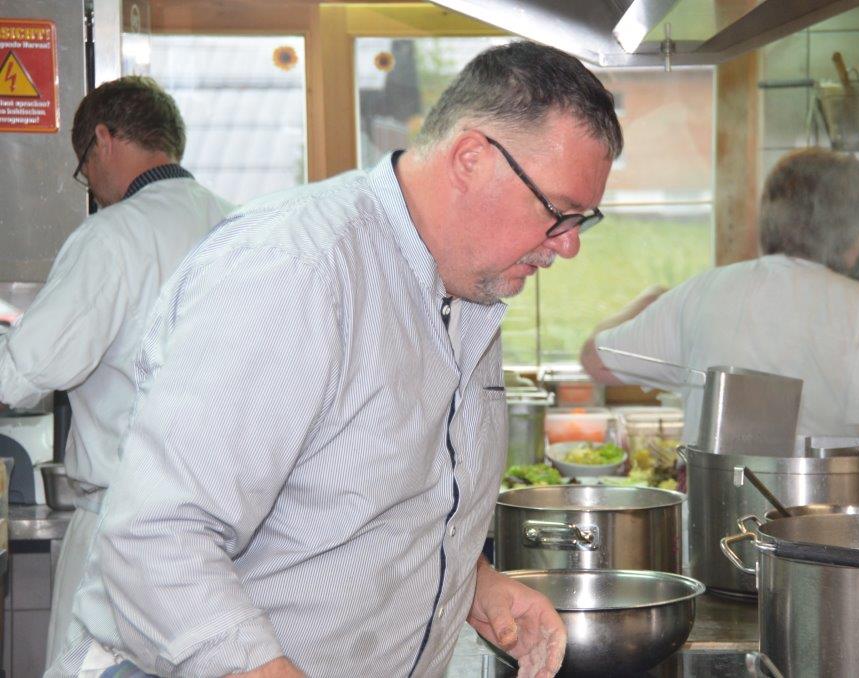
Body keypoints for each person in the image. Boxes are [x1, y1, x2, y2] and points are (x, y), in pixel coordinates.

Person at [48, 41, 622, 678]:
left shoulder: (468, 287)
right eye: (558, 212)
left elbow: (376, 498)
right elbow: (158, 538)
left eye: (583, 220)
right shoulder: (297, 270)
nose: (568, 246)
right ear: (471, 159)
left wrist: (472, 584)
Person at [0, 75, 234, 668]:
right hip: (230, 537)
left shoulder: (112, 235)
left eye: (84, 167)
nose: (92, 185)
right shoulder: (239, 227)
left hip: (126, 533)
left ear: (103, 139)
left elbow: (23, 373)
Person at [581, 148, 859, 443]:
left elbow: (595, 360)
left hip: (714, 496)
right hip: (819, 499)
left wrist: (651, 297)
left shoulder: (704, 291)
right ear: (844, 232)